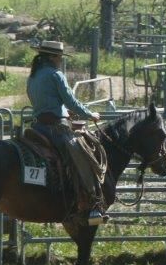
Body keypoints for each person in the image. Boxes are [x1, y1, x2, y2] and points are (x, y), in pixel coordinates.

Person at [26, 40, 107, 225]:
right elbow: (71, 101)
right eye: (60, 57)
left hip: (37, 126)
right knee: (84, 157)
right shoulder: (56, 75)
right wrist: (90, 114)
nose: (61, 60)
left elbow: (41, 102)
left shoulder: (33, 76)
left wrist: (61, 110)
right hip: (56, 128)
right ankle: (93, 204)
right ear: (53, 57)